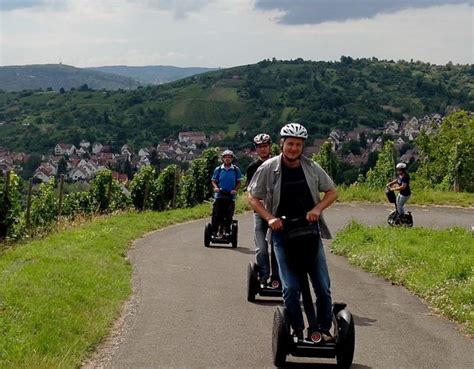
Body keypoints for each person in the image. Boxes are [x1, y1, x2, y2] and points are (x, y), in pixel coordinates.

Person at [248, 122, 338, 342]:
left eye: (298, 144)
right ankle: (297, 329)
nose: (293, 148)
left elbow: (332, 192)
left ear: (302, 146)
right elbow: (252, 197)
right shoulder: (268, 168)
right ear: (282, 144)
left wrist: (317, 209)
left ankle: (323, 329)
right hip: (282, 235)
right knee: (290, 288)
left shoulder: (312, 167)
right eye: (290, 144)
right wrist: (270, 218)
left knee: (323, 287)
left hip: (310, 233)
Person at [246, 133, 272, 286]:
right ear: (256, 149)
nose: (263, 150)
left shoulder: (279, 163)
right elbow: (250, 192)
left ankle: (281, 278)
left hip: (277, 212)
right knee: (261, 249)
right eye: (260, 147)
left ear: (270, 147)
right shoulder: (252, 168)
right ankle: (263, 276)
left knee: (278, 249)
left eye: (265, 146)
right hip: (259, 213)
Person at [211, 150, 242, 237]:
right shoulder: (218, 169)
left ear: (232, 159)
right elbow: (213, 180)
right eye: (226, 157)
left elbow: (239, 182)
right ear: (223, 159)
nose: (227, 159)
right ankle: (214, 231)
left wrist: (235, 189)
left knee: (228, 214)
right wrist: (216, 187)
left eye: (229, 157)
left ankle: (227, 231)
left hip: (230, 195)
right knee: (216, 213)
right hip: (219, 195)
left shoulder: (236, 170)